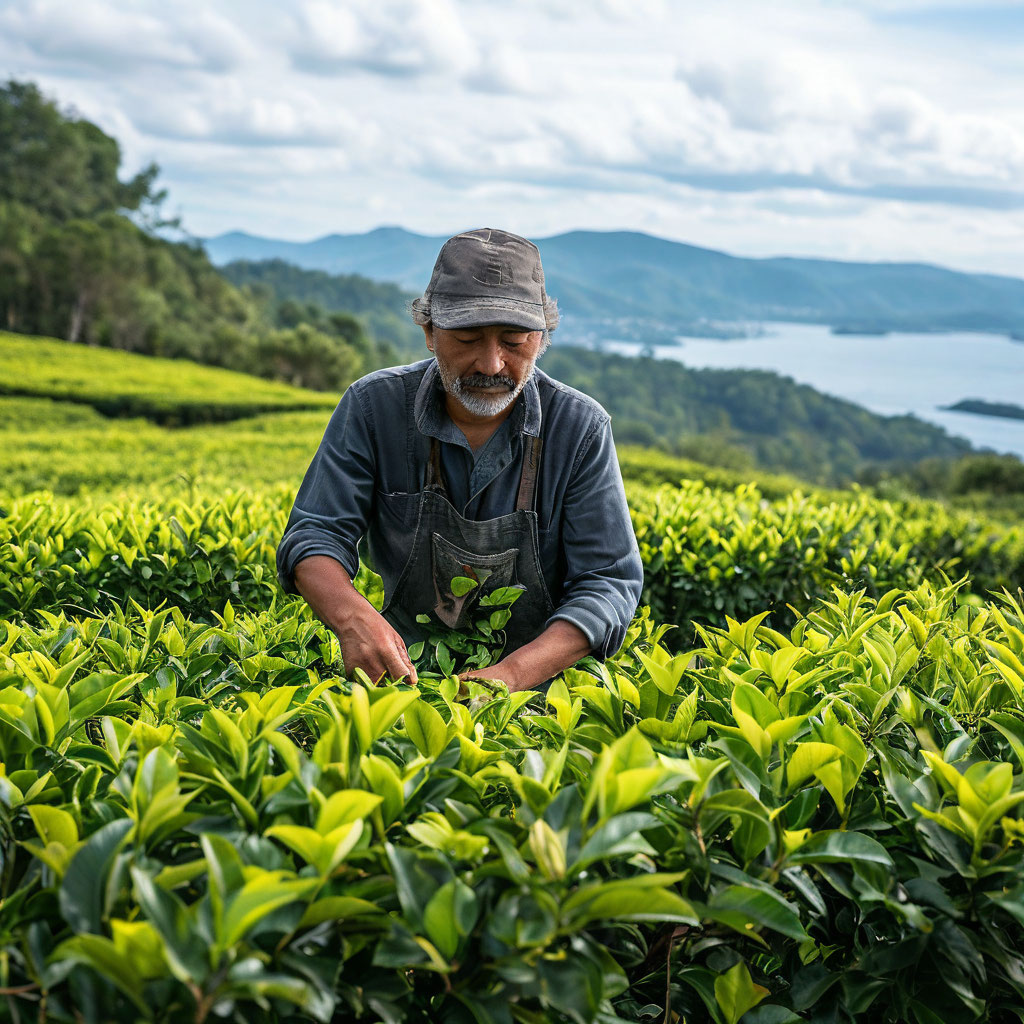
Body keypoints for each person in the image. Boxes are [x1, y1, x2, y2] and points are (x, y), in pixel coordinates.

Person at [276, 227, 643, 692]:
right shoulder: (374, 408)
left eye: (514, 341)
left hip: (542, 688)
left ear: (542, 336)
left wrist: (509, 676)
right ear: (429, 331)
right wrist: (355, 621)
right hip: (400, 677)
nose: (491, 364)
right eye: (468, 338)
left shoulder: (579, 428)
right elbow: (314, 535)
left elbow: (608, 584)